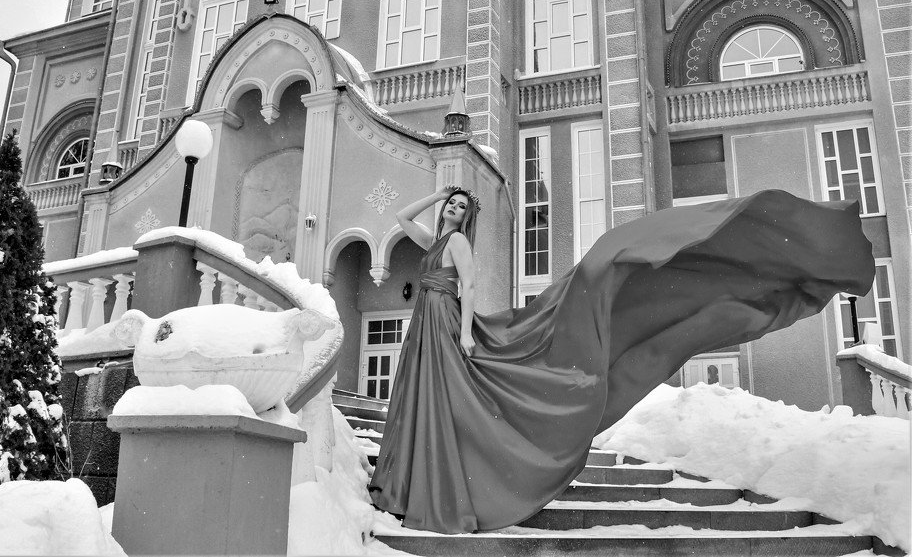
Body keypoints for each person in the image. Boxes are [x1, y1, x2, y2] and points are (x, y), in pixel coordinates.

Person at [368, 186, 874, 534]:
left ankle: (440, 484)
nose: (454, 210)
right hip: (425, 322)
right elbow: (400, 219)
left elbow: (472, 287)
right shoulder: (434, 239)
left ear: (467, 219)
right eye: (452, 205)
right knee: (427, 395)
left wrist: (465, 335)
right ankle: (416, 480)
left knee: (446, 394)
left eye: (461, 206)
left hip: (443, 319)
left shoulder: (458, 242)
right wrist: (438, 193)